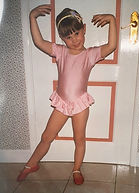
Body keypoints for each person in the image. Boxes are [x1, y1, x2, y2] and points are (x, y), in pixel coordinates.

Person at [17, 4, 117, 185]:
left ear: (84, 29)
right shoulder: (60, 52)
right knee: (47, 137)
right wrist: (32, 17)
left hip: (80, 104)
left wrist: (111, 19)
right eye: (68, 37)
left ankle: (76, 168)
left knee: (79, 139)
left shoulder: (90, 55)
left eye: (77, 34)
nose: (74, 40)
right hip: (62, 103)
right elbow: (39, 42)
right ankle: (31, 164)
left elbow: (111, 46)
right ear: (62, 38)